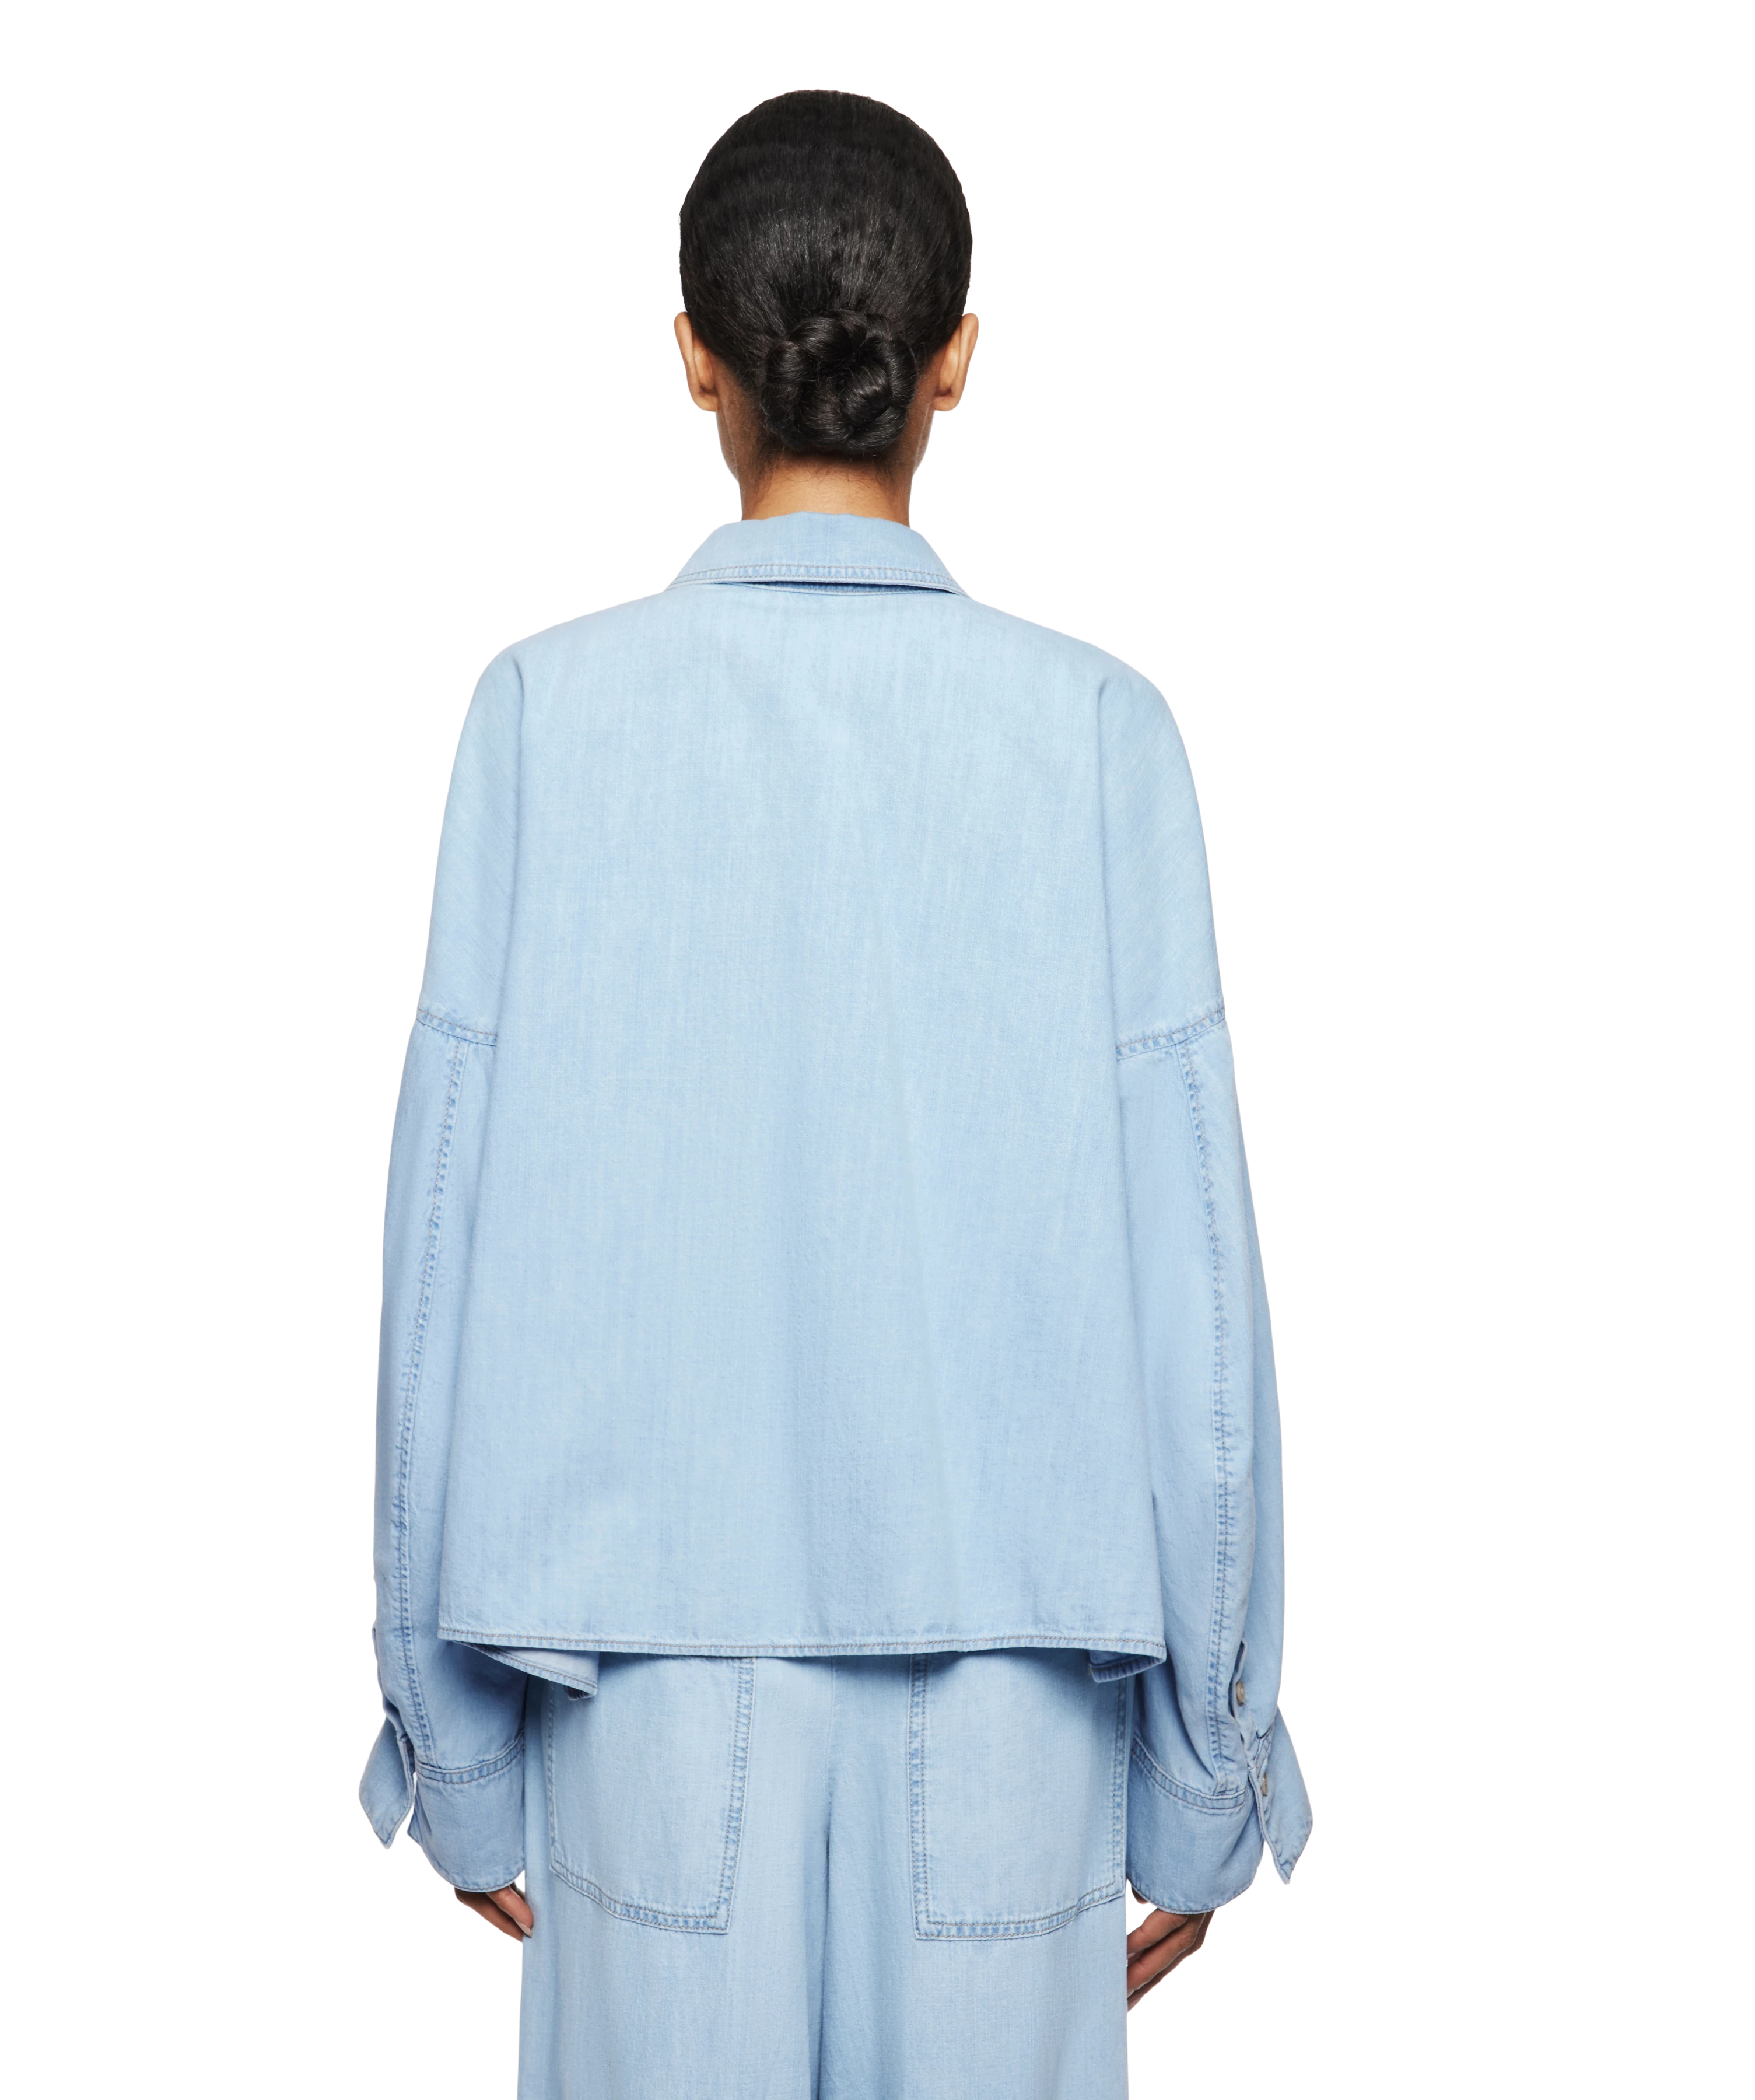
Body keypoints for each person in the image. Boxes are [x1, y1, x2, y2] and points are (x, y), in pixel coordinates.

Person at [358, 88, 1312, 2098]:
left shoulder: (542, 715)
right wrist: (1209, 1763)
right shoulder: (1103, 735)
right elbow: (1197, 1298)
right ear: (954, 357)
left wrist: (454, 1748)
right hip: (1018, 1714)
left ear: (693, 355)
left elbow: (445, 1251)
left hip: (640, 1699)